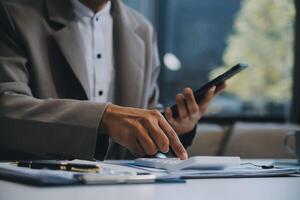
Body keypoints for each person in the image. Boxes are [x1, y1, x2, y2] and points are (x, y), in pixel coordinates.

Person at [0, 0, 225, 161]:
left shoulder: (142, 30)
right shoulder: (13, 15)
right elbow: (6, 109)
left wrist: (171, 129)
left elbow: (139, 128)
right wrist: (103, 118)